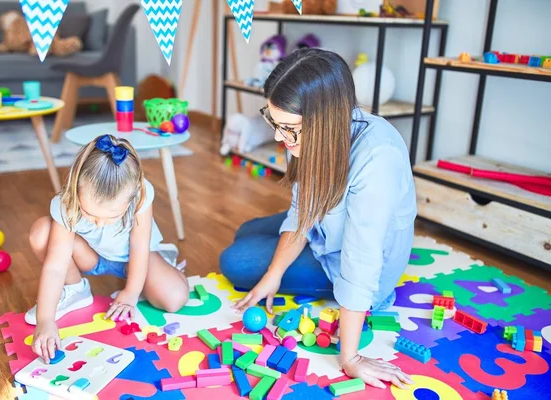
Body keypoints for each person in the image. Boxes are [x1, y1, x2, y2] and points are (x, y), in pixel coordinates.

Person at [220, 48, 417, 389]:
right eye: (273, 121)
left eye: (288, 128)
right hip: (327, 226)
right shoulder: (311, 135)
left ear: (323, 120)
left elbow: (362, 258)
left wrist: (350, 357)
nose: (279, 137)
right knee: (245, 232)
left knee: (235, 260)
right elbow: (302, 209)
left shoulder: (377, 157)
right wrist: (274, 274)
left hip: (353, 262)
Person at [27, 134, 189, 363]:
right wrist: (46, 320)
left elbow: (140, 246)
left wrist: (131, 292)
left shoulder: (141, 193)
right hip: (91, 257)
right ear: (75, 188)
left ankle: (162, 263)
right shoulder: (67, 202)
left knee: (174, 298)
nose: (99, 223)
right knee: (42, 231)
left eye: (111, 216)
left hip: (135, 258)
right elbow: (55, 267)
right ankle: (75, 290)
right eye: (90, 214)